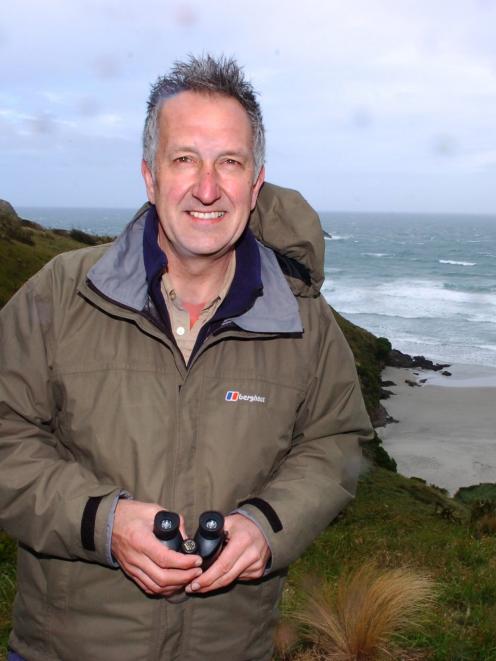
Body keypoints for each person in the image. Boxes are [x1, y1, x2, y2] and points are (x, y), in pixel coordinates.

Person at [0, 55, 372, 660]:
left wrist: (269, 524)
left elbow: (337, 442)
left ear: (255, 184)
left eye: (230, 161)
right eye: (184, 159)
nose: (207, 187)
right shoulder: (59, 293)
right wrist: (102, 521)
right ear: (149, 177)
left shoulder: (304, 320)